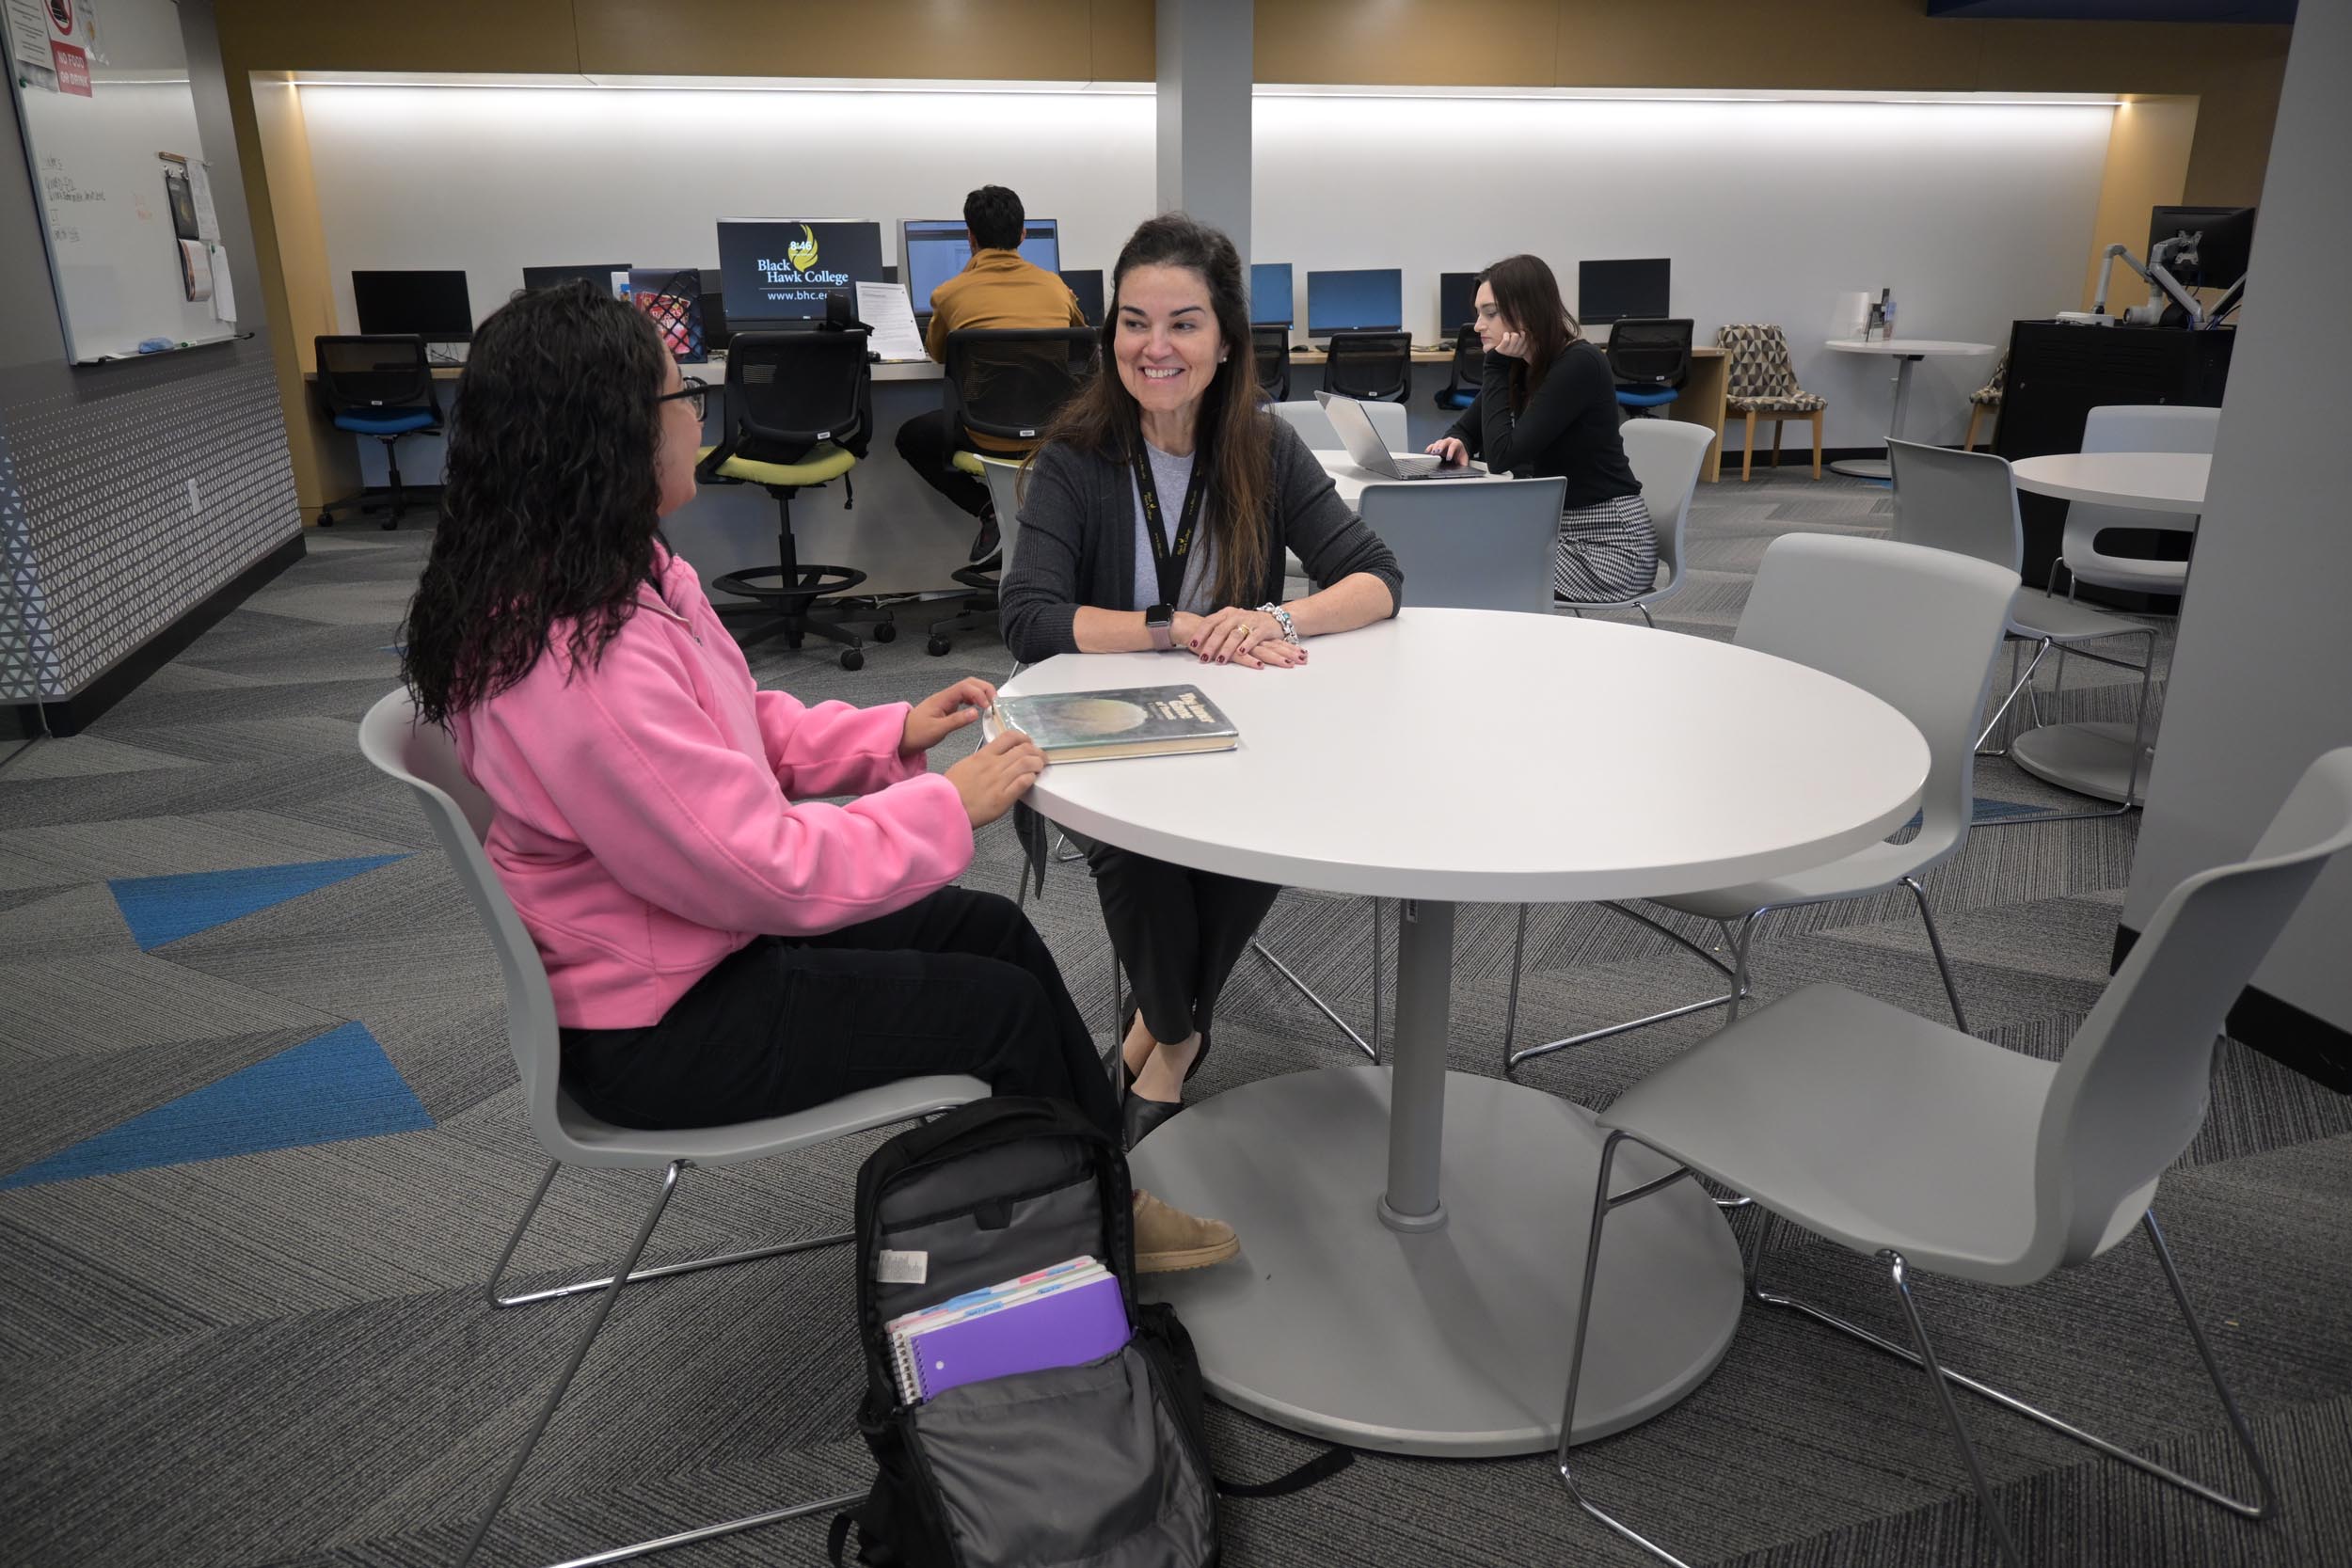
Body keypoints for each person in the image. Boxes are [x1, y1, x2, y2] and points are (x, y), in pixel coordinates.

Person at [400, 281, 1235, 1273]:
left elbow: (730, 727)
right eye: (680, 398)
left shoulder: (611, 576)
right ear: (609, 433)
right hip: (657, 1022)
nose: (694, 417)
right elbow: (765, 872)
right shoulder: (584, 664)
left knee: (993, 929)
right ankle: (1097, 1217)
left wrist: (886, 735)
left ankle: (1084, 1184)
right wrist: (946, 802)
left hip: (681, 940)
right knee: (996, 1007)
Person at [999, 213, 1405, 1150]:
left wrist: (1277, 617)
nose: (1155, 345)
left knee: (1250, 833)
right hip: (1109, 718)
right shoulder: (1077, 457)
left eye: (1182, 322)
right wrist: (1171, 628)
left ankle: (1155, 1033)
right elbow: (1028, 614)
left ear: (1225, 339)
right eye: (1134, 322)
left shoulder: (1262, 449)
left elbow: (1378, 578)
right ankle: (1179, 1035)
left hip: (1236, 719)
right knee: (1138, 850)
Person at [1426, 255, 1658, 605]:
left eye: (1490, 313)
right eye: (1478, 313)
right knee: (1458, 551)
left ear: (1526, 312)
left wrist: (1495, 364)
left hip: (1610, 546)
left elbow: (1504, 456)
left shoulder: (1579, 364)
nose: (1477, 325)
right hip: (1553, 529)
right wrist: (1459, 439)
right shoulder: (1525, 364)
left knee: (1471, 566)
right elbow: (1467, 425)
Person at [894, 183, 1087, 566]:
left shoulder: (950, 293)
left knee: (910, 437)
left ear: (970, 236)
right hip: (1049, 430)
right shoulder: (1057, 288)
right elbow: (1078, 344)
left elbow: (937, 354)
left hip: (984, 433)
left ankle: (987, 511)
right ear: (1023, 234)